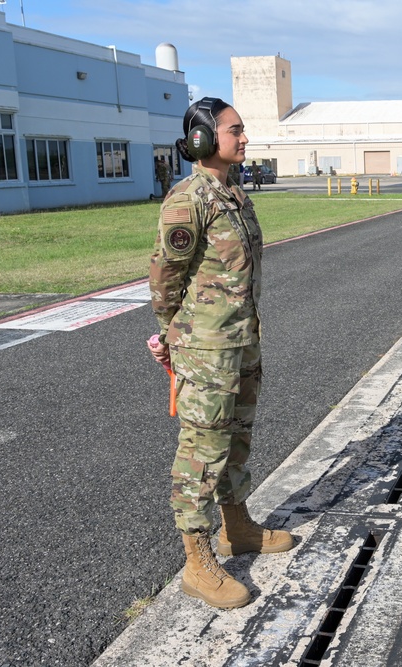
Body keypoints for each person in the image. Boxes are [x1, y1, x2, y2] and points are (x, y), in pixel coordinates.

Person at [147, 97, 293, 610]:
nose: (244, 138)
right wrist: (172, 334)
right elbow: (165, 274)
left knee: (237, 437)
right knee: (201, 452)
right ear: (202, 140)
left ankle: (238, 529)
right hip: (206, 349)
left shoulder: (235, 194)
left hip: (242, 340)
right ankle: (197, 561)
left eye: (242, 130)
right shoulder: (189, 200)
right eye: (235, 131)